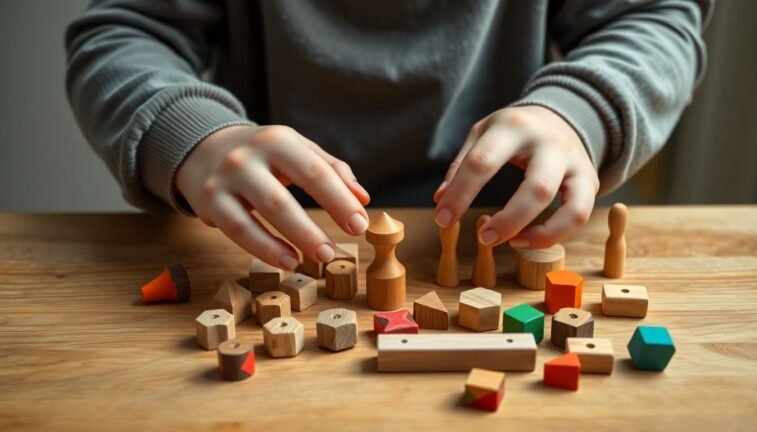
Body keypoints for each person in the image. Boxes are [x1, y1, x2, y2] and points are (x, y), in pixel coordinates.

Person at [66, 0, 711, 270]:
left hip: (513, 232)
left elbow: (652, 17)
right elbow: (123, 31)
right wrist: (194, 137)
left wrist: (581, 109)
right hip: (258, 239)